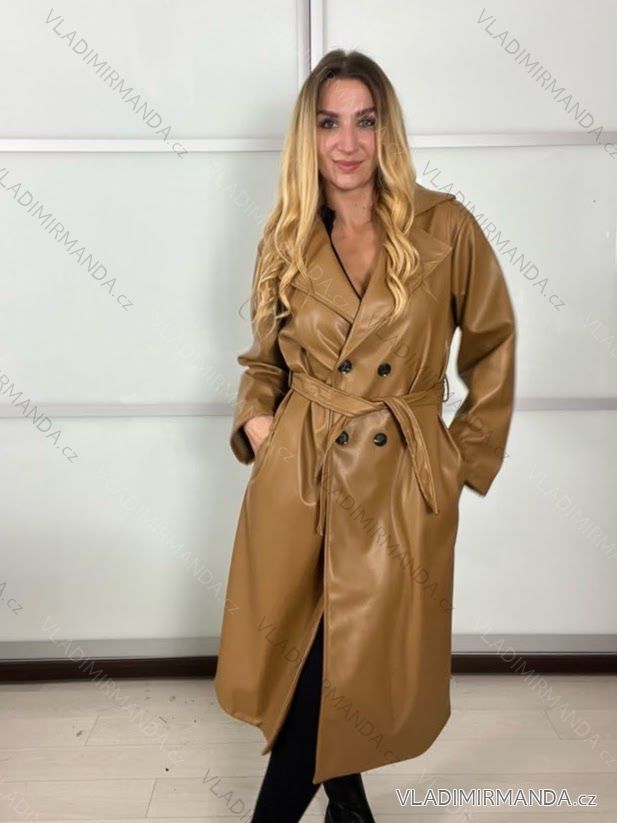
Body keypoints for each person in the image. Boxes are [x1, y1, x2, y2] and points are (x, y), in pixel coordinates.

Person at [215, 48, 516, 823]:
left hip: (394, 484)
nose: (346, 142)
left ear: (387, 130)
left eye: (364, 121)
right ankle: (348, 806)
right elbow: (262, 360)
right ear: (307, 136)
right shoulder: (285, 237)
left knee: (338, 657)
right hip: (300, 475)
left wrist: (454, 462)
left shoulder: (444, 226)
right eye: (328, 123)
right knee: (309, 656)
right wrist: (257, 421)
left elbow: (492, 343)